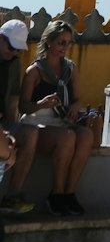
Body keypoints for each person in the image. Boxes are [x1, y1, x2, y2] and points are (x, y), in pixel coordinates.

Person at [19, 19, 99, 217]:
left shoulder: (70, 69)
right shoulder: (35, 71)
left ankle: (69, 192)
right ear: (49, 42)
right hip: (36, 123)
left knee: (86, 136)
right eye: (61, 42)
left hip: (60, 122)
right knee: (67, 137)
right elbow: (23, 107)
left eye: (68, 42)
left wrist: (73, 106)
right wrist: (42, 104)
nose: (65, 47)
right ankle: (55, 194)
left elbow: (78, 99)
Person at [0, 20, 34, 213]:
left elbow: (13, 99)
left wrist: (10, 131)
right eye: (11, 47)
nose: (13, 52)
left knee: (30, 135)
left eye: (17, 50)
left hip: (3, 123)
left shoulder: (14, 64)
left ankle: (12, 196)